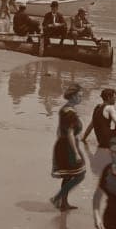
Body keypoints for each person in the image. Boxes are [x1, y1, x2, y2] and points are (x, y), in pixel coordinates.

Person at [50, 83, 86, 211]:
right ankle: (57, 198)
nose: (81, 98)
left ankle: (63, 203)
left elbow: (60, 130)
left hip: (62, 144)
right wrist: (76, 152)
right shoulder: (70, 113)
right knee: (80, 174)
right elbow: (70, 133)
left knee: (68, 175)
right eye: (80, 96)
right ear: (73, 96)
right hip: (68, 146)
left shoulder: (64, 109)